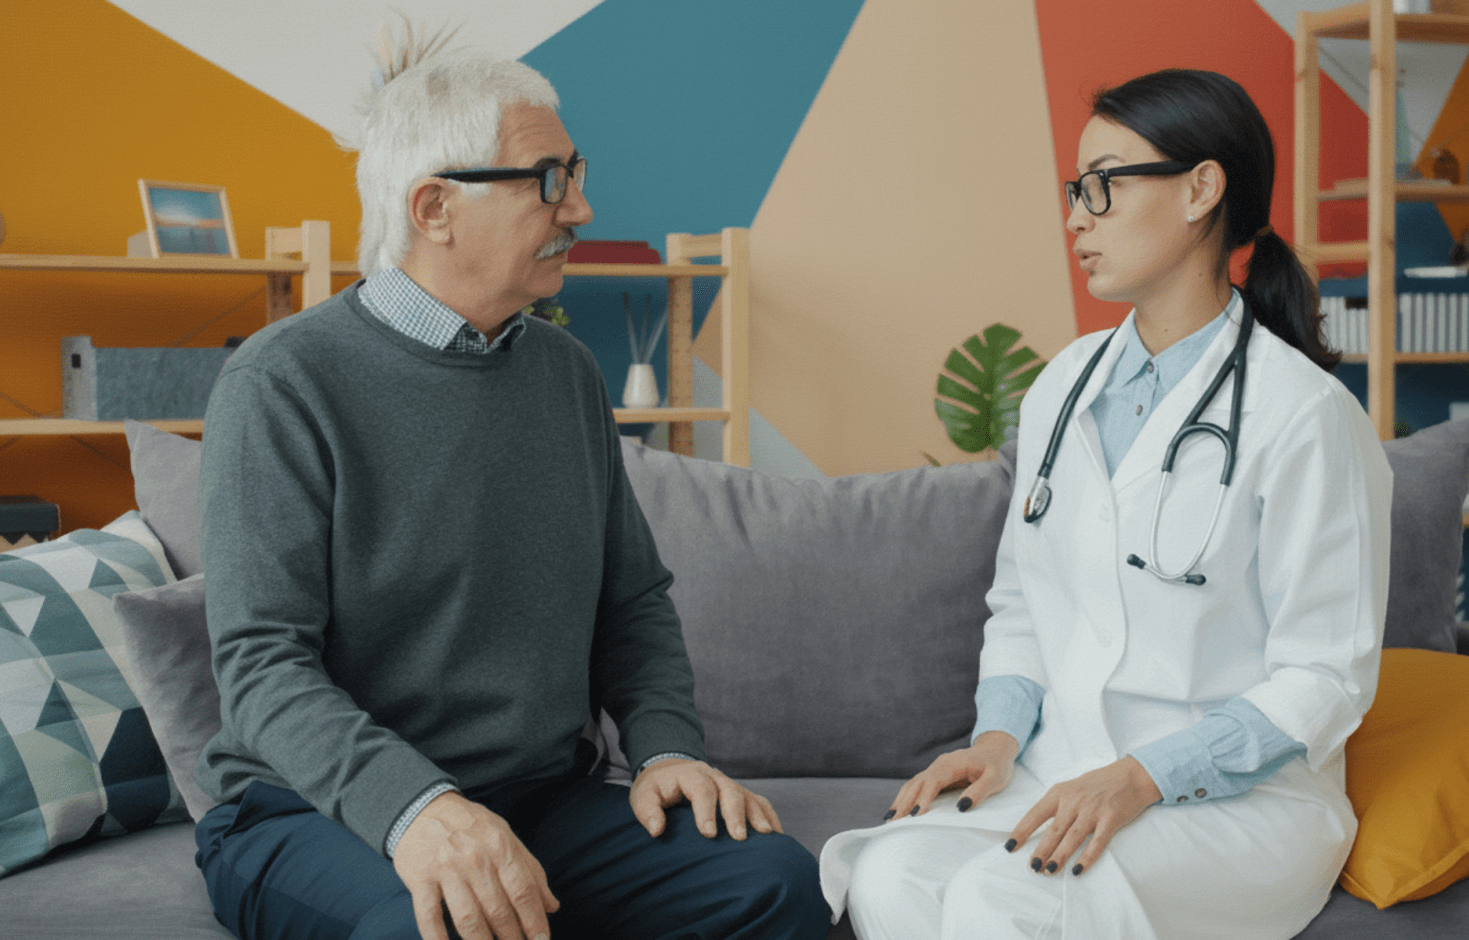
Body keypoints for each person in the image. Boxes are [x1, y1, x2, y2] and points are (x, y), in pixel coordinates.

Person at [191, 49, 829, 940]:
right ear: (434, 207)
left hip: (541, 799)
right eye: (547, 180)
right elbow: (262, 665)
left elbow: (632, 601)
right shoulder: (281, 382)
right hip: (312, 811)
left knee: (772, 881)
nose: (580, 207)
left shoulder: (564, 372)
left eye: (574, 175)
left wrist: (667, 747)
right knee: (438, 929)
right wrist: (419, 811)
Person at [819, 69, 1393, 939]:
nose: (1076, 216)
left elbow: (1325, 676)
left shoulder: (1306, 416)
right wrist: (998, 740)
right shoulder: (1064, 386)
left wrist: (1144, 776)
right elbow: (1021, 601)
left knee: (998, 897)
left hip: (1237, 809)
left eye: (1104, 185)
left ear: (1202, 188)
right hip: (1066, 774)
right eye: (1073, 189)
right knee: (894, 872)